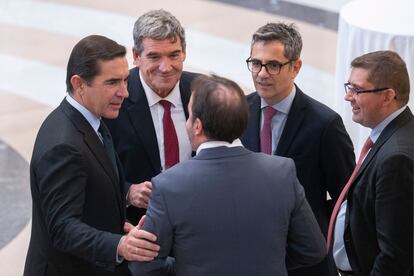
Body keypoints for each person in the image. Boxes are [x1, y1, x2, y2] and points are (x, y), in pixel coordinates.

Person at [131, 74, 326, 276]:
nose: (187, 123)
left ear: (197, 126)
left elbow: (144, 266)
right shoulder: (282, 172)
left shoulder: (168, 185)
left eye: (189, 116)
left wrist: (185, 266)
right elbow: (313, 250)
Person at [24, 35, 160, 276]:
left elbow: (89, 199)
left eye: (125, 81)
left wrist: (119, 227)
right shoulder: (63, 146)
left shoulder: (91, 120)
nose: (124, 93)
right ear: (79, 84)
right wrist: (119, 245)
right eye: (112, 83)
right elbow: (63, 228)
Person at [240, 22, 355, 276]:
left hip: (304, 262)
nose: (261, 73)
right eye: (256, 63)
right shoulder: (238, 113)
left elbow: (345, 200)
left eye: (273, 65)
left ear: (296, 67)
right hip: (248, 254)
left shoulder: (325, 124)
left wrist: (314, 231)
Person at [104, 9, 198, 226]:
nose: (165, 68)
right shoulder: (113, 101)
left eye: (174, 55)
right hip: (137, 232)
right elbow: (95, 173)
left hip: (196, 228)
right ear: (136, 57)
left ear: (184, 53)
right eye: (154, 57)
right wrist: (127, 192)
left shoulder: (203, 93)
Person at [327, 50, 413, 276]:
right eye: (349, 87)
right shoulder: (394, 135)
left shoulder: (397, 159)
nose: (348, 97)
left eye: (357, 89)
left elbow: (395, 256)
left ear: (387, 96)